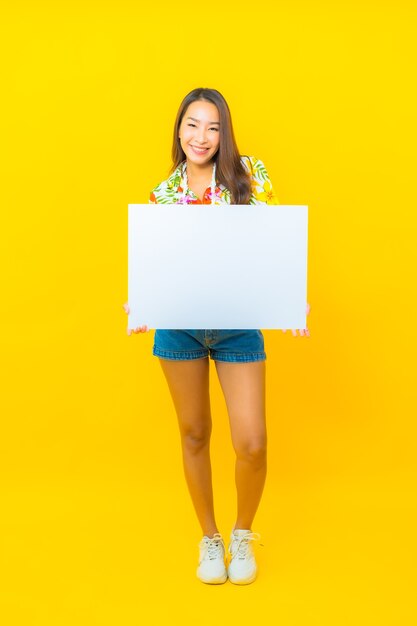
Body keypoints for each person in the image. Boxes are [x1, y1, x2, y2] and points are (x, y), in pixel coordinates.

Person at [123, 87, 310, 585]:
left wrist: (292, 296)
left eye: (212, 127)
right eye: (192, 124)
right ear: (178, 129)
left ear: (224, 133)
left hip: (236, 325)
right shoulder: (162, 194)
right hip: (179, 327)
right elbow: (156, 266)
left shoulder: (248, 176)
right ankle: (209, 538)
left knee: (251, 441)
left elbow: (274, 242)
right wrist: (141, 301)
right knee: (195, 434)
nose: (201, 137)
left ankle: (242, 533)